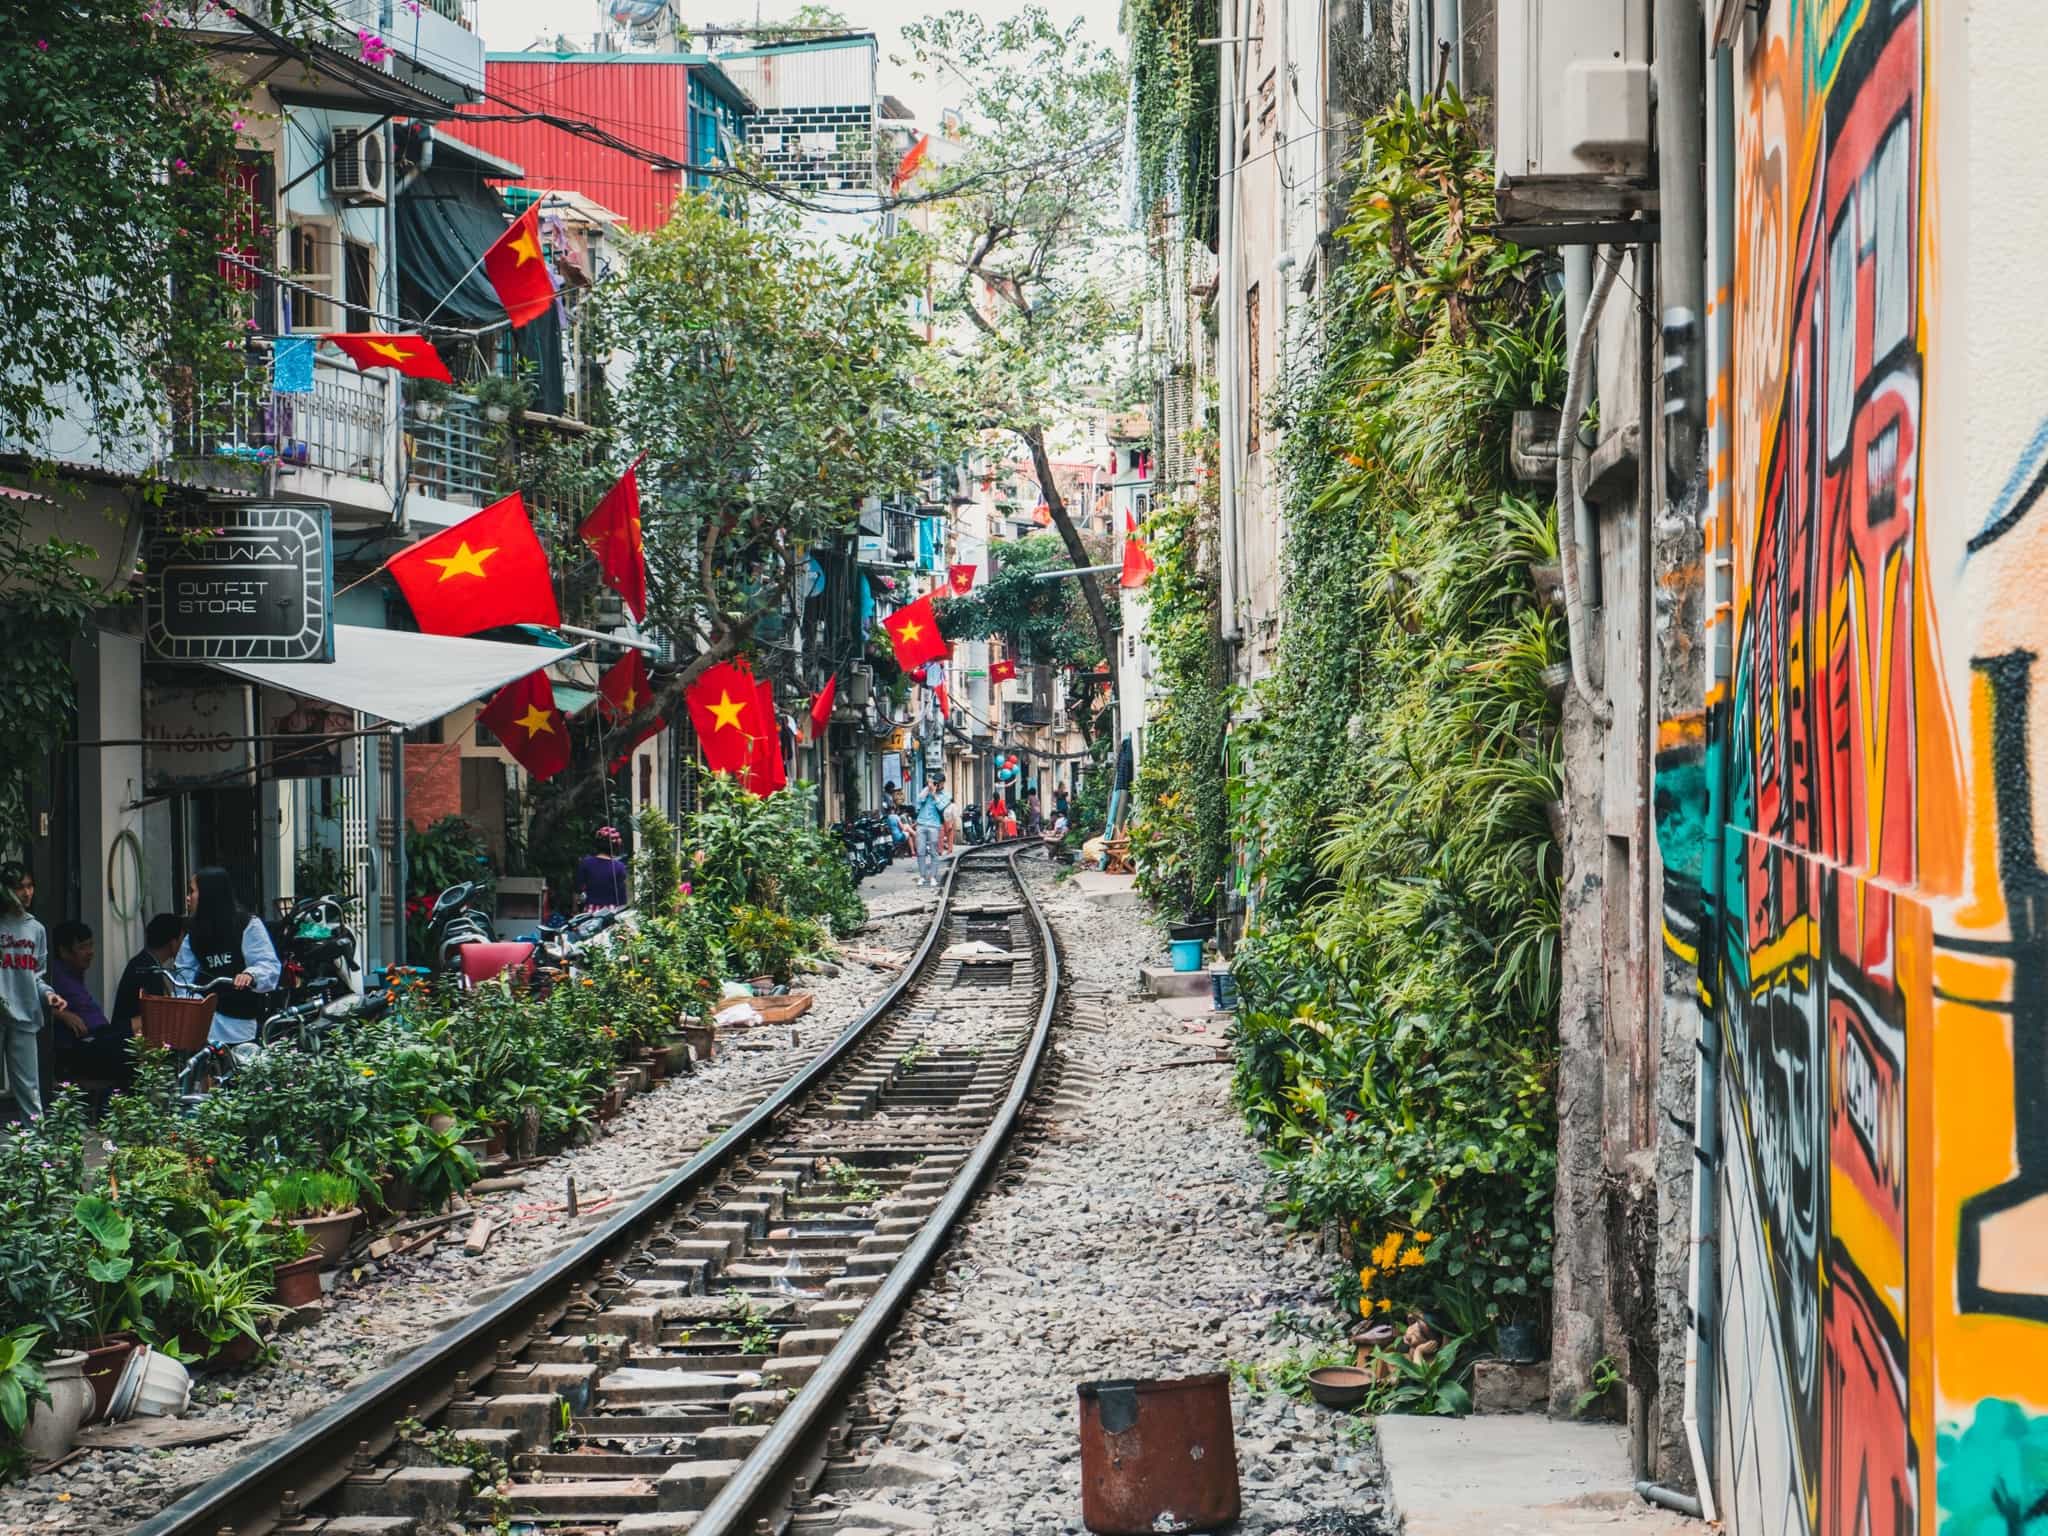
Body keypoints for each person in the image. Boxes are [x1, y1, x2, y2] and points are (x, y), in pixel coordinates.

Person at [174, 867, 280, 1046]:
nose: (188, 897)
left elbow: (267, 964)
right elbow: (184, 973)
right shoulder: (194, 932)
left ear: (209, 894)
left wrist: (250, 975)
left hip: (239, 1022)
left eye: (192, 891)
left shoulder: (247, 925)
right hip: (206, 1021)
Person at [0, 863, 63, 1122]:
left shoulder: (36, 929)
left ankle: (37, 1153)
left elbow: (36, 975)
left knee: (29, 1089)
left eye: (30, 886)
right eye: (19, 887)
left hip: (25, 1014)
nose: (26, 893)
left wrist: (49, 995)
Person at [48, 920, 129, 1101]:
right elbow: (33, 1001)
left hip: (97, 1038)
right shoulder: (55, 976)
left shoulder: (74, 974)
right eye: (83, 947)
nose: (90, 952)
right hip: (76, 1049)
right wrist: (60, 1014)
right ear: (64, 951)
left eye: (91, 945)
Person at [112, 912, 185, 1039]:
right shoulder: (149, 970)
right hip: (130, 1044)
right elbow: (155, 1017)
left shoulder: (142, 962)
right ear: (173, 942)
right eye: (182, 939)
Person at [575, 826, 629, 913]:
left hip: (590, 911)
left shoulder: (586, 863)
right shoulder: (619, 866)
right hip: (611, 912)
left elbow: (578, 889)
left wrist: (575, 911)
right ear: (616, 846)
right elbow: (622, 896)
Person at [913, 773, 950, 886]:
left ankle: (933, 876)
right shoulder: (927, 790)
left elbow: (941, 807)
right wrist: (928, 789)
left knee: (934, 851)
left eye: (938, 783)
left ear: (942, 783)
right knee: (920, 851)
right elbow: (919, 801)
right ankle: (922, 876)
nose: (936, 785)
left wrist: (934, 795)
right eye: (934, 782)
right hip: (921, 823)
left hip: (934, 825)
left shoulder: (945, 795)